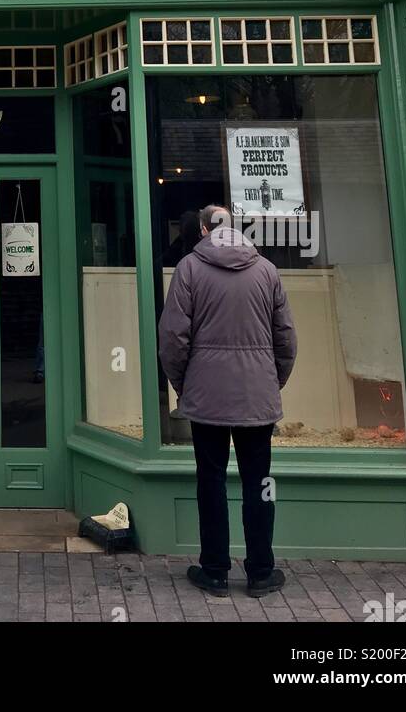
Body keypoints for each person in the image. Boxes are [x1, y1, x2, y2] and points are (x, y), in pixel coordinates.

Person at [158, 204, 297, 598]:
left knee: (211, 480)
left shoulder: (188, 268)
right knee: (259, 483)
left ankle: (215, 570)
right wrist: (273, 381)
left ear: (203, 228)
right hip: (257, 397)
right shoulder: (267, 270)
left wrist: (184, 384)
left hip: (207, 398)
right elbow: (286, 337)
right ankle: (261, 572)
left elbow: (172, 338)